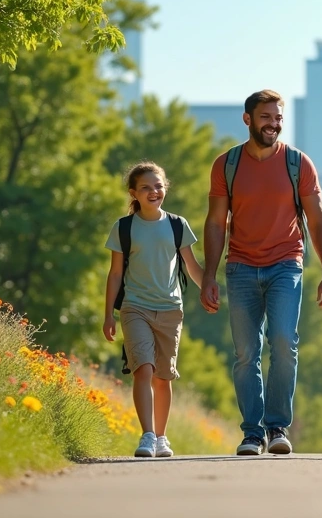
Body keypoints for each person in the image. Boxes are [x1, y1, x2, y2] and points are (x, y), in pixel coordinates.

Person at [200, 90, 322, 456]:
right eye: (266, 117)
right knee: (246, 352)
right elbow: (216, 222)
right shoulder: (226, 165)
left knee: (282, 342)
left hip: (286, 264)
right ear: (248, 119)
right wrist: (208, 276)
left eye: (278, 117)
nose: (273, 124)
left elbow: (318, 218)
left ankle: (277, 426)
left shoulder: (298, 163)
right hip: (241, 267)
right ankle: (252, 432)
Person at [104, 161, 205, 458]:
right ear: (133, 193)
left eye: (158, 186)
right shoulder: (123, 228)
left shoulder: (177, 225)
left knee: (163, 376)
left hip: (171, 309)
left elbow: (192, 266)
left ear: (166, 189)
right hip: (135, 307)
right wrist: (108, 313)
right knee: (142, 369)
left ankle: (161, 437)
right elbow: (115, 274)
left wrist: (209, 291)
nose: (153, 192)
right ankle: (147, 435)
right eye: (146, 188)